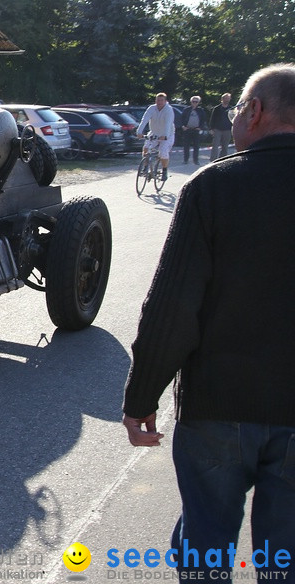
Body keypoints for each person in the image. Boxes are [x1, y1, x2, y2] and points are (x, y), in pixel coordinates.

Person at [122, 64, 295, 581]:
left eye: (240, 107)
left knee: (206, 546)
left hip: (219, 407)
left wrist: (140, 399)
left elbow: (173, 307)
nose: (238, 116)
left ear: (256, 112)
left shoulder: (214, 187)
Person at [136, 93, 175, 181]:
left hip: (167, 134)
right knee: (146, 147)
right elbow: (144, 119)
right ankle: (145, 166)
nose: (159, 102)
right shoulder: (152, 108)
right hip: (154, 132)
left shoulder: (168, 110)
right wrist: (139, 132)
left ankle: (164, 171)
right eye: (157, 100)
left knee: (163, 152)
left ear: (165, 101)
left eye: (161, 100)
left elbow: (168, 123)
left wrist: (165, 135)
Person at [179, 95, 204, 165]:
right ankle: (185, 160)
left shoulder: (200, 110)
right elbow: (181, 119)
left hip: (196, 130)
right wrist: (183, 126)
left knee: (196, 146)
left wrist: (200, 127)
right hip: (187, 130)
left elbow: (203, 120)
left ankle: (196, 160)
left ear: (198, 102)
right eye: (193, 101)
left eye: (196, 101)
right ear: (191, 102)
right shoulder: (186, 110)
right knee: (186, 146)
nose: (194, 103)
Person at [209, 92, 234, 160]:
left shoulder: (232, 109)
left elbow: (233, 119)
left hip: (227, 130)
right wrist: (211, 128)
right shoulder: (217, 108)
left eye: (228, 98)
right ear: (222, 99)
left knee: (225, 147)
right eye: (225, 98)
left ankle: (222, 159)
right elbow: (212, 118)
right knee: (215, 146)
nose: (227, 100)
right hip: (217, 129)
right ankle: (213, 160)